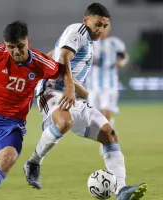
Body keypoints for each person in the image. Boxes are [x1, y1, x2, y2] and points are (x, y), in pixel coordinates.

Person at [24, 3, 147, 200]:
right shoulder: (78, 30)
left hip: (73, 95)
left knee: (110, 134)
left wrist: (79, 90)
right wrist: (73, 87)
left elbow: (55, 56)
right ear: (86, 20)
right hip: (53, 91)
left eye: (104, 26)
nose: (100, 30)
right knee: (64, 122)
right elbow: (63, 57)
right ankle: (33, 162)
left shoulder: (88, 42)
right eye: (97, 24)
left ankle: (121, 190)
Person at [0, 20, 74, 200]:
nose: (16, 51)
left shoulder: (40, 63)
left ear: (28, 41)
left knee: (8, 159)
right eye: (11, 47)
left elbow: (61, 69)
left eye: (20, 46)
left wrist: (70, 87)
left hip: (10, 122)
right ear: (5, 45)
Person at [85, 25, 129, 154]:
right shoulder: (90, 43)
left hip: (110, 84)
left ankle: (107, 142)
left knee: (106, 110)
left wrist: (120, 63)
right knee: (95, 117)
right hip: (93, 85)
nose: (103, 29)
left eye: (106, 27)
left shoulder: (115, 43)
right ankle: (109, 129)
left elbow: (124, 57)